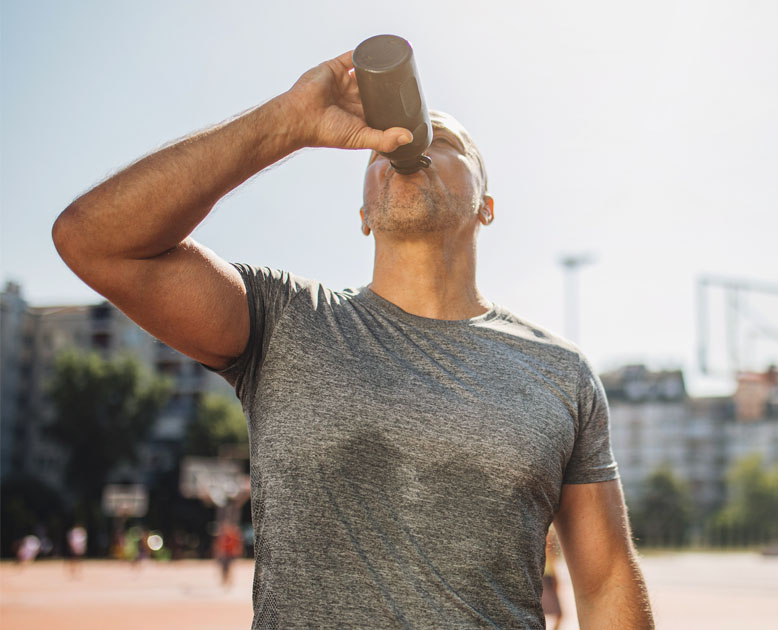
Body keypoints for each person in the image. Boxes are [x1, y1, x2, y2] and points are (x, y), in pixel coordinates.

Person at [53, 48, 654, 629]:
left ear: (486, 206)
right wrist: (285, 123)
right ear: (363, 214)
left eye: (438, 142)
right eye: (375, 154)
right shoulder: (284, 318)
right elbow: (92, 239)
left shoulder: (559, 371)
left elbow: (604, 582)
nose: (401, 147)